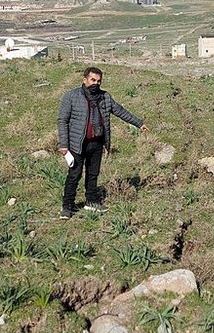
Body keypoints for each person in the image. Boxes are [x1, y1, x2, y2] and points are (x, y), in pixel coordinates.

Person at [57, 67, 149, 219]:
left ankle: (91, 202)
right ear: (84, 79)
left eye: (99, 81)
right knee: (74, 175)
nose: (96, 84)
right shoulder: (71, 97)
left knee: (93, 174)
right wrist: (63, 145)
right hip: (76, 144)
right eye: (93, 80)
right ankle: (67, 207)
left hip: (97, 142)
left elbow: (120, 111)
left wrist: (139, 123)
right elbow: (62, 120)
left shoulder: (104, 97)